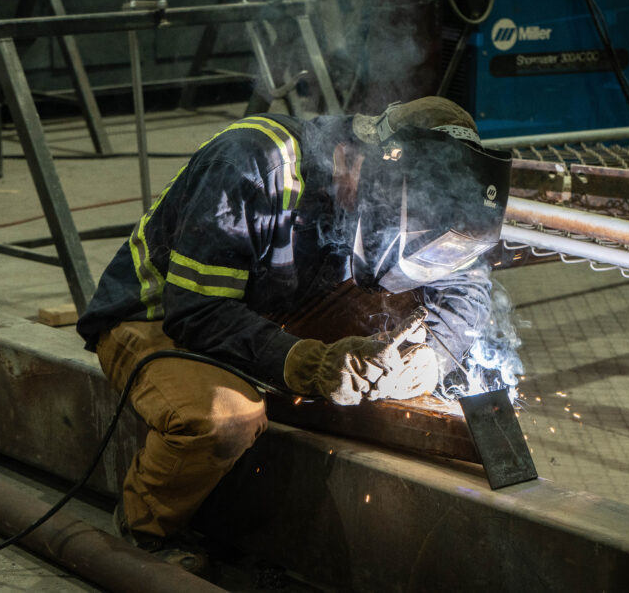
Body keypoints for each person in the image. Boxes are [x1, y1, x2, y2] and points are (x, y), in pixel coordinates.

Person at [76, 96, 511, 569]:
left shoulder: (412, 197)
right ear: (361, 163)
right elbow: (197, 312)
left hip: (268, 309)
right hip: (158, 317)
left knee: (414, 318)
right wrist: (307, 363)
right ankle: (144, 535)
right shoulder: (253, 163)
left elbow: (465, 287)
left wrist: (432, 356)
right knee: (225, 418)